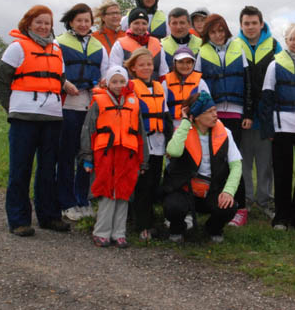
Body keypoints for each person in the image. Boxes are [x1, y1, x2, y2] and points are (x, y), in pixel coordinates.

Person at [0, 5, 73, 236]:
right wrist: (12, 108)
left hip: (51, 117)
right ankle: (19, 220)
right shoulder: (17, 48)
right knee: (20, 168)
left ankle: (49, 216)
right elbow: (1, 81)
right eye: (39, 22)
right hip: (23, 118)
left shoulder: (57, 49)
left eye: (47, 23)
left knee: (48, 169)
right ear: (28, 23)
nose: (43, 26)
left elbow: (60, 78)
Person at [79, 66, 149, 248]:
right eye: (114, 81)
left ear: (127, 82)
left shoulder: (134, 103)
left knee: (124, 193)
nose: (119, 85)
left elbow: (141, 133)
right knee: (106, 193)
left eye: (122, 81)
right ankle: (102, 232)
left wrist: (144, 160)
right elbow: (88, 129)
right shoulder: (98, 102)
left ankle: (119, 233)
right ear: (107, 83)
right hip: (105, 154)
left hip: (128, 156)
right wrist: (87, 156)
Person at [259, 24, 295, 231]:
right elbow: (266, 97)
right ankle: (281, 216)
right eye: (292, 38)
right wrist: (268, 129)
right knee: (283, 173)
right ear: (286, 41)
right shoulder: (275, 65)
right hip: (281, 127)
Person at [162, 92, 242, 243]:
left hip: (211, 190)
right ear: (197, 116)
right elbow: (173, 151)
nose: (215, 115)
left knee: (229, 206)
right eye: (209, 112)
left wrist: (228, 192)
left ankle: (213, 229)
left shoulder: (225, 133)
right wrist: (186, 121)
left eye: (214, 110)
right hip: (185, 190)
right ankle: (178, 228)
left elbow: (236, 165)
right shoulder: (182, 131)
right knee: (173, 207)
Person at [195, 13, 251, 226]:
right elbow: (199, 86)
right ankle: (216, 202)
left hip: (236, 114)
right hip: (213, 115)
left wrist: (248, 113)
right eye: (213, 32)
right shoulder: (202, 52)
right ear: (207, 33)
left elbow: (247, 84)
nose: (218, 35)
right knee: (216, 161)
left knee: (234, 160)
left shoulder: (238, 48)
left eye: (221, 31)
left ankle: (241, 207)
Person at [56, 3, 109, 222]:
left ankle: (82, 199)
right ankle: (66, 202)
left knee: (86, 155)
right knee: (66, 156)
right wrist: (65, 83)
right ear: (71, 22)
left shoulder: (98, 46)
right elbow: (55, 70)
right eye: (79, 20)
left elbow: (105, 73)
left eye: (87, 20)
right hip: (67, 106)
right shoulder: (59, 43)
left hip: (90, 108)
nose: (83, 24)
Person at [237, 5, 282, 219]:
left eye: (254, 23)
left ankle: (265, 200)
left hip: (266, 114)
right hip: (242, 114)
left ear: (261, 24)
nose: (251, 27)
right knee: (243, 161)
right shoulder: (235, 45)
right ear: (241, 25)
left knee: (265, 162)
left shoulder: (274, 45)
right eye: (246, 23)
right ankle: (245, 199)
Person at [124, 47, 173, 242]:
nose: (146, 67)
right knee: (142, 185)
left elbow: (166, 116)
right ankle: (141, 224)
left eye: (149, 64)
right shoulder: (131, 87)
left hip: (158, 143)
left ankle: (149, 219)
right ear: (133, 68)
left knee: (153, 183)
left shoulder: (160, 87)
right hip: (140, 143)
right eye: (141, 64)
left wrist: (170, 142)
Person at [110, 7, 168, 82]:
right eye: (136, 23)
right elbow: (114, 71)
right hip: (130, 91)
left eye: (144, 23)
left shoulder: (157, 43)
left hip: (154, 90)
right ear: (129, 25)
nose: (140, 27)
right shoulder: (119, 44)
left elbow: (163, 72)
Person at [164, 45, 209, 129]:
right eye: (181, 62)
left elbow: (207, 105)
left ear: (193, 64)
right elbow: (163, 106)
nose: (185, 66)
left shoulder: (200, 82)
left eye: (188, 62)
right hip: (173, 125)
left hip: (194, 124)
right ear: (175, 63)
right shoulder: (165, 82)